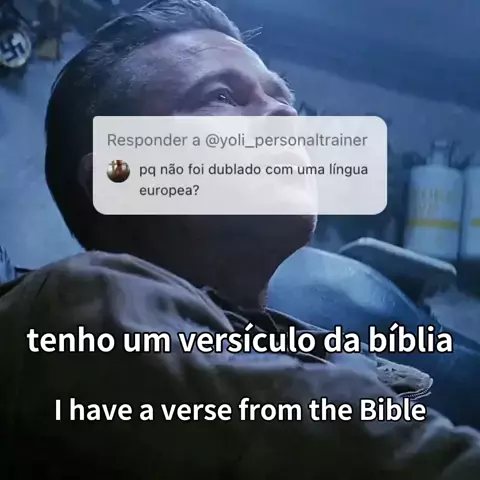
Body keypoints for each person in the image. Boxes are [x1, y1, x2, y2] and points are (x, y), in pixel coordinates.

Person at [1, 1, 480, 478]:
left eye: (283, 99)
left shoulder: (328, 357)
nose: (285, 115)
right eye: (222, 96)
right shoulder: (79, 306)